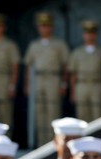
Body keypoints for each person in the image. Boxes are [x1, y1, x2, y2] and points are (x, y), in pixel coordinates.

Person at [24, 12, 70, 147]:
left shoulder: (59, 44)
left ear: (51, 27)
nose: (44, 28)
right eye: (42, 26)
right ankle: (40, 144)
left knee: (53, 111)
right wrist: (27, 84)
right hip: (37, 79)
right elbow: (29, 66)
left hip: (53, 78)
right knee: (39, 114)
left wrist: (64, 83)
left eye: (47, 26)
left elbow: (65, 65)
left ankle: (53, 144)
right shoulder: (34, 44)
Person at [68, 20, 101, 122]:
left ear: (96, 35)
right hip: (81, 85)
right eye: (87, 33)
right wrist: (73, 91)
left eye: (92, 33)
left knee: (98, 115)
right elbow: (73, 73)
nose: (89, 36)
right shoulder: (77, 52)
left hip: (97, 85)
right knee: (82, 115)